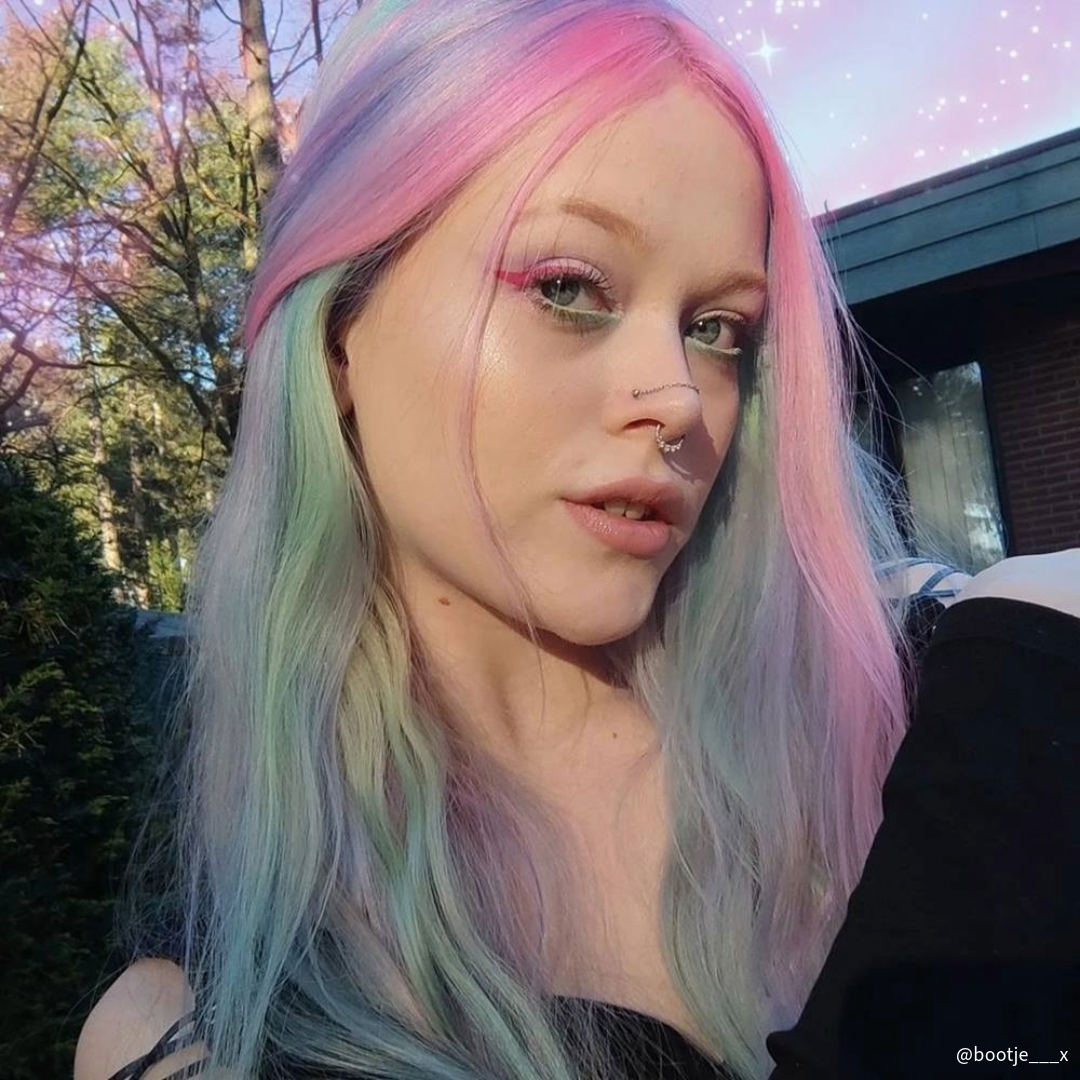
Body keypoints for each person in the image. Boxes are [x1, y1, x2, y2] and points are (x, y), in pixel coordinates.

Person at [71, 2, 1079, 1078]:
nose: (679, 399)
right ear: (337, 338)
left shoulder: (933, 689)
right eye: (567, 287)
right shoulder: (196, 1037)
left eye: (717, 328)